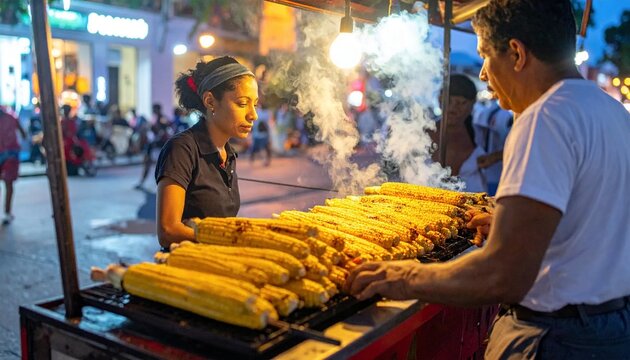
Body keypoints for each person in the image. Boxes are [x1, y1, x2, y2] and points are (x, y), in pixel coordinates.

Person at [345, 1, 630, 358]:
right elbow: (595, 223)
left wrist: (404, 277)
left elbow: (503, 274)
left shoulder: (545, 118)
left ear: (516, 53)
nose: (482, 73)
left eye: (484, 55)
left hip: (557, 338)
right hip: (612, 331)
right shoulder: (611, 112)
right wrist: (516, 226)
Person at [154, 56, 258, 247]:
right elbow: (168, 230)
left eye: (255, 104)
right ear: (210, 102)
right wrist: (229, 239)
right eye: (243, 103)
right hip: (187, 269)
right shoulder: (182, 149)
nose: (253, 115)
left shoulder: (228, 154)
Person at [433, 74, 486, 192]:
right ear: (440, 100)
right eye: (449, 101)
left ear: (472, 105)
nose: (453, 108)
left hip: (475, 204)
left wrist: (494, 157)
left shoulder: (482, 135)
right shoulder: (422, 135)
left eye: (462, 103)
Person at [473, 100, 513, 195]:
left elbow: (519, 147)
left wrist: (494, 157)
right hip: (488, 177)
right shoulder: (487, 110)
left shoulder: (504, 116)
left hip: (501, 178)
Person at [0, 106, 27, 225]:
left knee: (8, 184)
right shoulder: (11, 116)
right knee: (8, 184)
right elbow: (23, 133)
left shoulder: (11, 116)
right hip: (11, 153)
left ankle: (7, 212)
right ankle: (7, 212)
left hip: (9, 153)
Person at [136, 103, 172, 188]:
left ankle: (162, 184)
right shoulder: (155, 119)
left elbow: (165, 130)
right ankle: (143, 181)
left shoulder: (162, 119)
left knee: (161, 165)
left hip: (160, 145)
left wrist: (157, 130)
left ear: (158, 109)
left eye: (154, 109)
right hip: (154, 144)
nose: (153, 111)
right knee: (147, 162)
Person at [249, 101, 272, 166]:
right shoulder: (267, 113)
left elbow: (253, 123)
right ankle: (264, 160)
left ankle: (263, 160)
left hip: (259, 134)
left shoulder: (258, 113)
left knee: (260, 148)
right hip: (261, 134)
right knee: (263, 148)